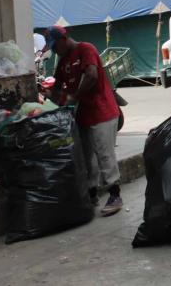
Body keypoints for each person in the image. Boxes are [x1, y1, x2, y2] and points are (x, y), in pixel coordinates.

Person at [44, 26, 123, 217]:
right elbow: (56, 85)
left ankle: (115, 195)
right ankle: (91, 194)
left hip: (102, 111)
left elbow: (92, 75)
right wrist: (49, 99)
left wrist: (75, 96)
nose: (54, 51)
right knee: (87, 157)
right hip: (83, 115)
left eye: (55, 46)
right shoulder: (63, 61)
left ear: (64, 39)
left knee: (104, 153)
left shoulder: (86, 49)